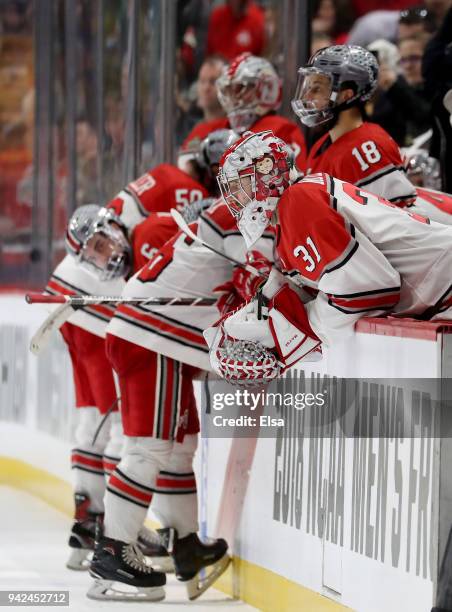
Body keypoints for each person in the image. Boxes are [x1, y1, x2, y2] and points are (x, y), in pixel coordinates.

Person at [85, 130, 238, 602]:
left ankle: (185, 542)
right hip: (154, 340)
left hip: (159, 340)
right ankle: (114, 550)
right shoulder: (227, 219)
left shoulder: (186, 220)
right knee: (149, 449)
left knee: (177, 447)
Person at [206, 130, 452, 386]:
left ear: (266, 171)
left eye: (238, 183)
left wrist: (289, 337)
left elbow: (368, 291)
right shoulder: (295, 207)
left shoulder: (298, 202)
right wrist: (254, 317)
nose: (233, 196)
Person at [292, 44, 416, 206]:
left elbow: (395, 221)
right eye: (308, 87)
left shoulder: (369, 149)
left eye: (317, 88)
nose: (307, 96)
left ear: (346, 95)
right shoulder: (322, 143)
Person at [181, 53, 306, 170]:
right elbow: (186, 169)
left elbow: (293, 177)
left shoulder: (283, 129)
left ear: (265, 89)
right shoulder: (216, 128)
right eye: (229, 89)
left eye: (240, 88)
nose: (233, 97)